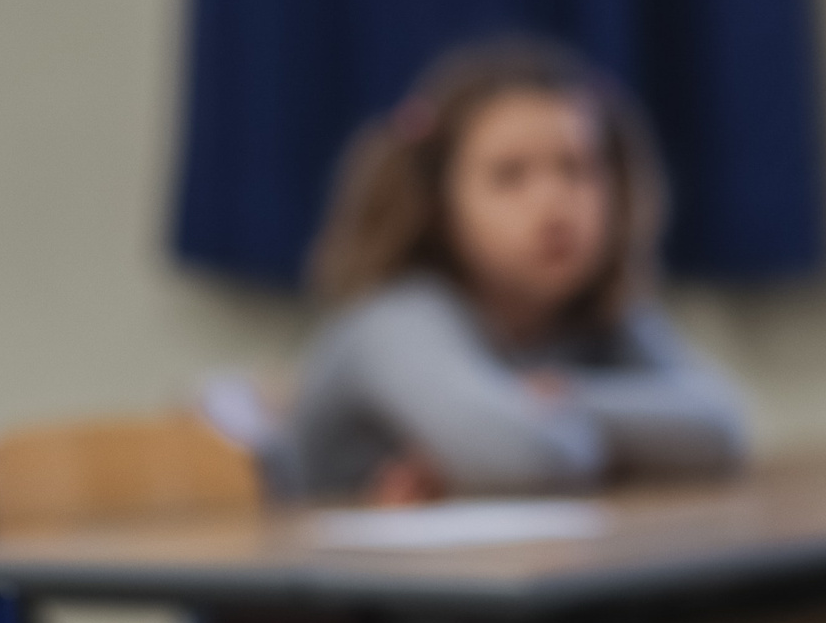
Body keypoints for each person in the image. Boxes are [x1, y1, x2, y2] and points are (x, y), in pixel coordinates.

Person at [288, 36, 749, 500]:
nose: (554, 206)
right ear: (438, 206)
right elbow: (526, 460)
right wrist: (625, 439)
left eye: (576, 168)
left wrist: (565, 397)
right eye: (509, 176)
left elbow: (722, 427)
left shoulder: (600, 317)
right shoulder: (394, 320)